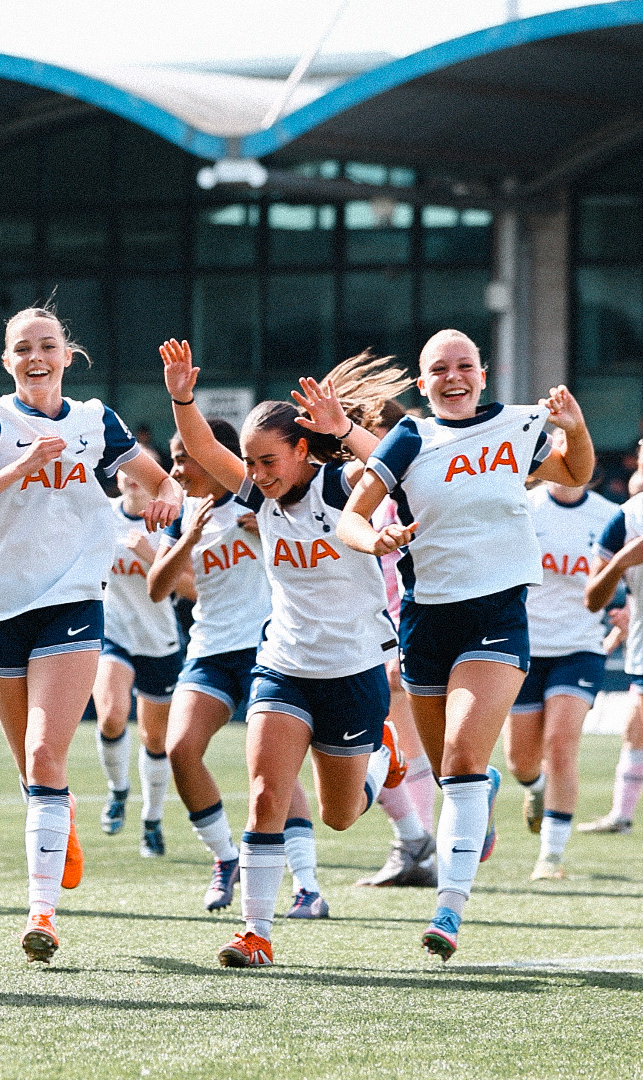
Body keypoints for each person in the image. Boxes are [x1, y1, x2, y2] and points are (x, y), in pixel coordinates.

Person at [0, 305, 182, 964]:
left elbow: (166, 485)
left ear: (67, 355)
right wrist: (17, 468)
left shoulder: (98, 421)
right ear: (7, 361)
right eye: (22, 348)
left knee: (45, 754)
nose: (36, 357)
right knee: (32, 769)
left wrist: (167, 502)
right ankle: (61, 811)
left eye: (47, 346)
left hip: (73, 600)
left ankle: (42, 914)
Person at [337, 328, 594, 961]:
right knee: (452, 770)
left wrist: (578, 431)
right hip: (426, 622)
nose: (455, 376)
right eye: (439, 369)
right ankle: (480, 798)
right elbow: (352, 515)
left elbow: (574, 470)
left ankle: (449, 908)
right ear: (423, 384)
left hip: (498, 613)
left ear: (484, 373)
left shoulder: (518, 425)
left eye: (466, 365)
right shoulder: (409, 439)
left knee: (460, 755)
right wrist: (375, 540)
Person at [160, 340, 410, 968]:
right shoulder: (254, 495)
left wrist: (344, 430)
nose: (258, 472)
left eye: (267, 459)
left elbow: (399, 467)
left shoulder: (344, 484)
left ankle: (383, 761)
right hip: (284, 665)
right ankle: (257, 933)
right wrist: (182, 397)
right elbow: (205, 450)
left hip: (353, 670)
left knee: (341, 816)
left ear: (302, 450)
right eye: (251, 462)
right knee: (268, 792)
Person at [148, 420, 328, 916]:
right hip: (209, 649)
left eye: (184, 457)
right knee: (180, 749)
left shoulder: (260, 500)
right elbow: (157, 587)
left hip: (269, 647)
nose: (177, 468)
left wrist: (269, 531)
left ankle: (308, 885)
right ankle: (226, 858)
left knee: (275, 767)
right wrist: (189, 537)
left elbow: (315, 542)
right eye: (174, 457)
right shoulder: (179, 513)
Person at [501, 449, 619, 880]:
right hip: (525, 648)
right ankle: (535, 790)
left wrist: (626, 611)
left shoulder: (610, 515)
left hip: (581, 647)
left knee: (561, 745)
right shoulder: (522, 507)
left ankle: (550, 857)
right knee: (520, 762)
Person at [356, 401, 438, 889]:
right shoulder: (360, 487)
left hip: (405, 622)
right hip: (368, 626)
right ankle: (416, 848)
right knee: (399, 741)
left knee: (391, 738)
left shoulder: (412, 485)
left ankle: (416, 847)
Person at [93, 449, 186, 858]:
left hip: (160, 638)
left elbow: (192, 586)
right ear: (117, 479)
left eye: (141, 473)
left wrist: (152, 557)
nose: (133, 478)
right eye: (127, 473)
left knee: (155, 737)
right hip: (113, 632)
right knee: (112, 716)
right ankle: (117, 790)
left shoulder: (170, 522)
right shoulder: (100, 516)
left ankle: (152, 819)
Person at [578, 440, 643, 835]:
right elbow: (592, 598)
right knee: (635, 727)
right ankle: (621, 815)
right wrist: (621, 562)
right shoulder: (628, 518)